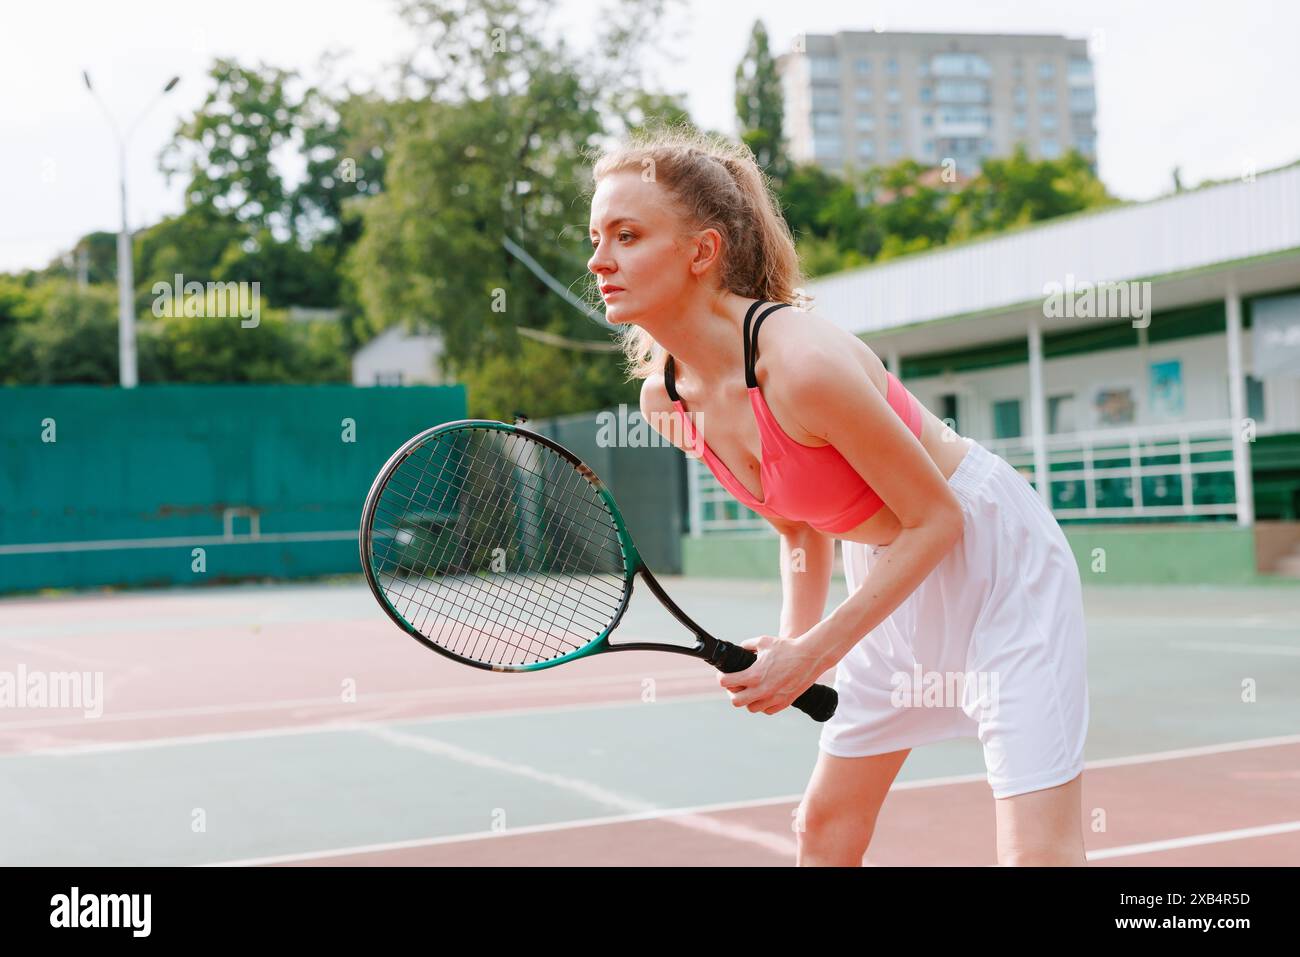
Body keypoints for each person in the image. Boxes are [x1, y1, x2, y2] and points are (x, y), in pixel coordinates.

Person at [584, 124, 1089, 866]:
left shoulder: (801, 363)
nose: (599, 260)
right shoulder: (667, 402)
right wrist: (796, 644)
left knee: (1036, 855)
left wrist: (815, 650)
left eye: (626, 235)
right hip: (889, 567)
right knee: (823, 827)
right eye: (596, 236)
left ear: (702, 252)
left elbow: (937, 518)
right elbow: (796, 526)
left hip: (995, 558)